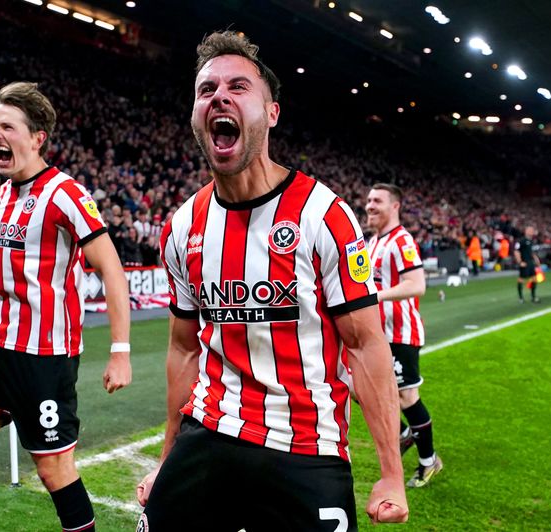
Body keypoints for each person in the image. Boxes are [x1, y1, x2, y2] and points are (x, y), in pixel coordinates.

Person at [136, 32, 407, 531]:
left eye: (238, 87)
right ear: (195, 115)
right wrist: (167, 460)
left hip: (307, 446)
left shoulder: (324, 216)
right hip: (210, 431)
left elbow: (365, 345)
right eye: (206, 89)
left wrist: (392, 474)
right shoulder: (182, 226)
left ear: (272, 113)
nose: (219, 96)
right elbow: (183, 349)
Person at [0, 82, 132, 532]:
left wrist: (120, 351)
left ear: (37, 138)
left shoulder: (65, 193)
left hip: (44, 358)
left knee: (54, 470)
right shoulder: (3, 195)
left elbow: (112, 269)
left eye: (7, 126)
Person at [365, 183, 442, 488]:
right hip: (376, 333)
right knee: (356, 385)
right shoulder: (372, 242)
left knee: (406, 396)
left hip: (401, 332)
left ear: (394, 206)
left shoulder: (402, 241)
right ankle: (404, 434)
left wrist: (377, 296)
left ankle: (428, 461)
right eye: (369, 200)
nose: (370, 205)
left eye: (377, 201)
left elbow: (416, 285)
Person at [514, 225, 542, 303]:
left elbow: (531, 252)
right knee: (521, 279)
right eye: (530, 230)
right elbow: (516, 251)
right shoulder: (521, 241)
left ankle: (533, 296)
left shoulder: (531, 241)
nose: (531, 231)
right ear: (526, 231)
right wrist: (520, 262)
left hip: (530, 263)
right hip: (524, 263)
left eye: (532, 230)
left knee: (534, 279)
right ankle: (520, 298)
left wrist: (537, 260)